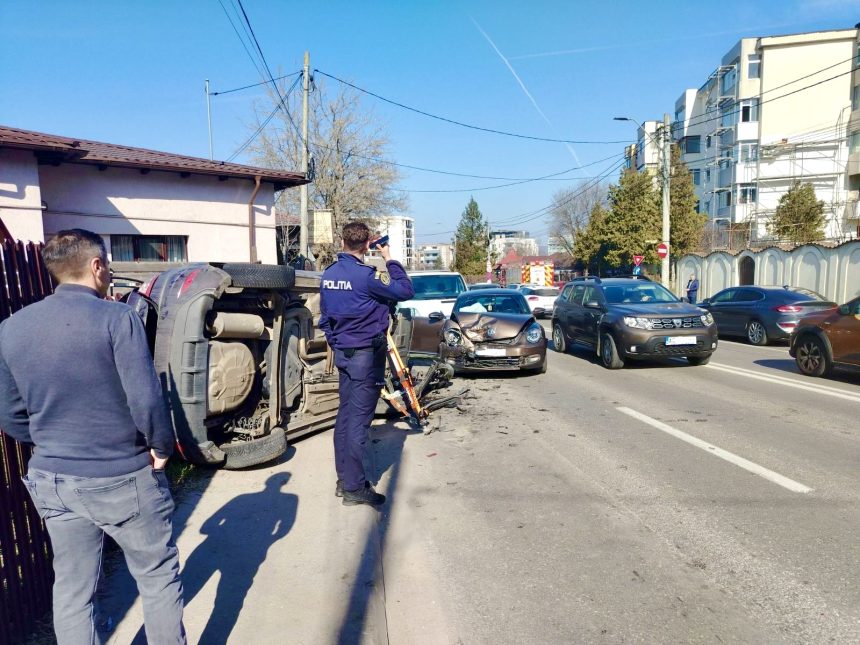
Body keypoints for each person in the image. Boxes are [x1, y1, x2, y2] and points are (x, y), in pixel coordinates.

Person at [0, 229, 185, 644]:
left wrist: (55, 443)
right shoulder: (117, 318)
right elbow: (146, 398)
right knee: (156, 578)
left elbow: (9, 416)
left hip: (54, 480)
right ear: (97, 266)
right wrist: (159, 447)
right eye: (108, 264)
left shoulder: (10, 329)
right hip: (121, 476)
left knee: (72, 588)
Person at [319, 222, 415, 507]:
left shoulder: (328, 275)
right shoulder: (366, 277)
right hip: (365, 357)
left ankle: (343, 479)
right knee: (359, 424)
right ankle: (354, 487)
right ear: (366, 245)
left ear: (341, 241)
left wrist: (337, 345)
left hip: (344, 355)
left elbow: (325, 319)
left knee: (345, 418)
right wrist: (388, 256)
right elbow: (405, 290)